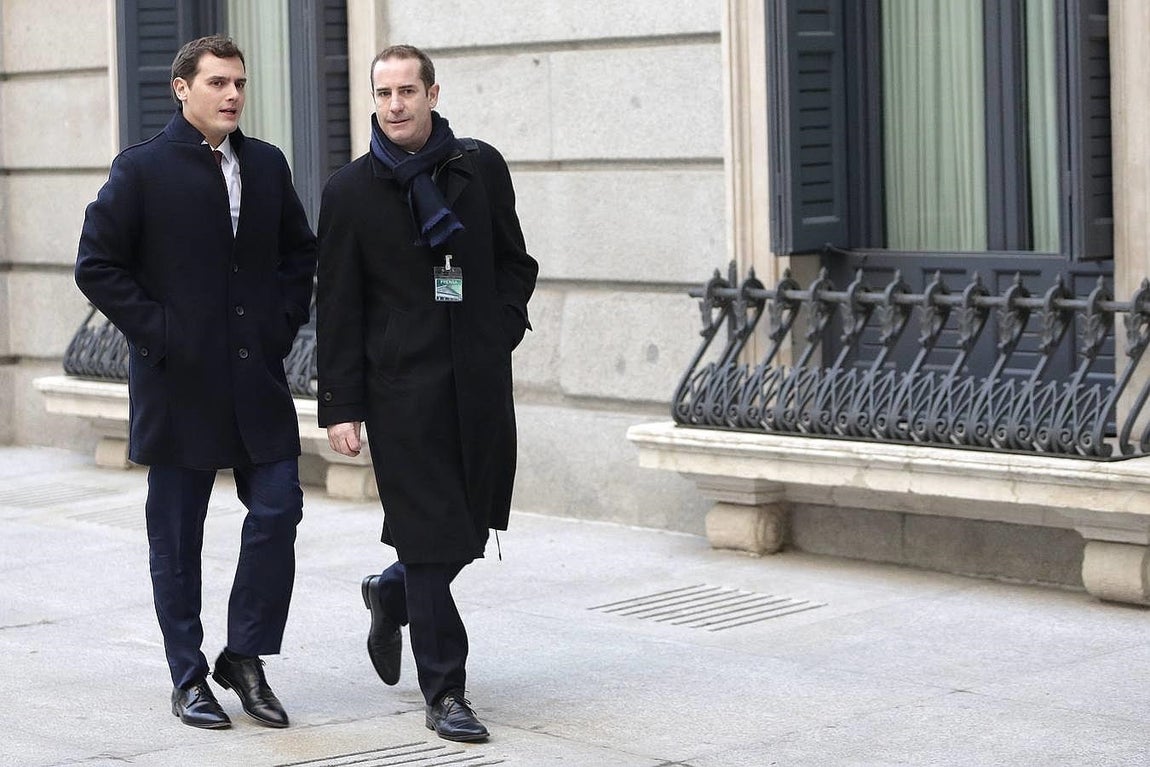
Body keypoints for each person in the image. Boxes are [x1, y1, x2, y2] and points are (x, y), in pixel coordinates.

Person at [75, 35, 317, 730]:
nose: (233, 94)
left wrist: (280, 325)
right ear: (182, 88)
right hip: (179, 385)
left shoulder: (266, 163)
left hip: (256, 380)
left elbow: (300, 252)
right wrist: (162, 334)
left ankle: (244, 654)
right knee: (177, 538)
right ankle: (187, 676)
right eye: (217, 82)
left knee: (278, 508)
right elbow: (97, 265)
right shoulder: (141, 169)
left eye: (239, 82)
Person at [316, 44, 538, 743]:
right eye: (383, 94)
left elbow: (515, 262)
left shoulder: (479, 167)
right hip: (400, 391)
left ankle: (390, 591)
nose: (395, 105)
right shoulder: (349, 191)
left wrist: (499, 328)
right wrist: (341, 406)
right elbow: (338, 306)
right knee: (427, 536)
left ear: (432, 94)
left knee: (467, 529)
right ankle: (446, 691)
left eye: (407, 91)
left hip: (476, 384)